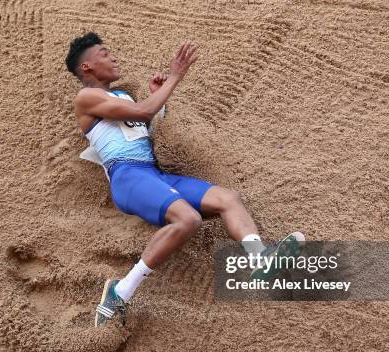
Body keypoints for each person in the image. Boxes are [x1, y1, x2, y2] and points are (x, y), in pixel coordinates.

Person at [65, 32, 304, 327]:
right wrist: (175, 78)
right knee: (188, 219)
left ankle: (260, 259)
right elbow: (143, 111)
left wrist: (158, 99)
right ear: (86, 67)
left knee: (228, 199)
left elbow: (145, 127)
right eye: (103, 53)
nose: (112, 57)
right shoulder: (87, 96)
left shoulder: (122, 96)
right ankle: (120, 291)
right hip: (127, 176)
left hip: (152, 174)